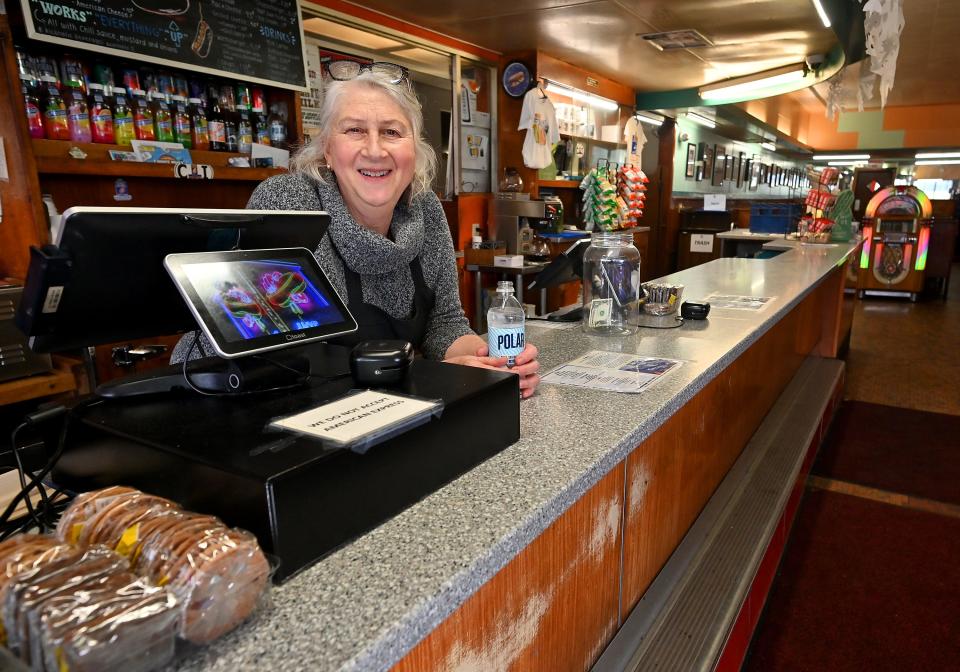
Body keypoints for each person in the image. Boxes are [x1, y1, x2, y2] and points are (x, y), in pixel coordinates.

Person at [171, 60, 540, 398]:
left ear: (415, 149)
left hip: (388, 417)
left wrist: (489, 360)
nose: (375, 150)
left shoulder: (426, 209)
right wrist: (428, 374)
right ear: (328, 149)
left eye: (392, 132)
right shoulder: (289, 203)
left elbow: (444, 323)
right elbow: (274, 355)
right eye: (355, 130)